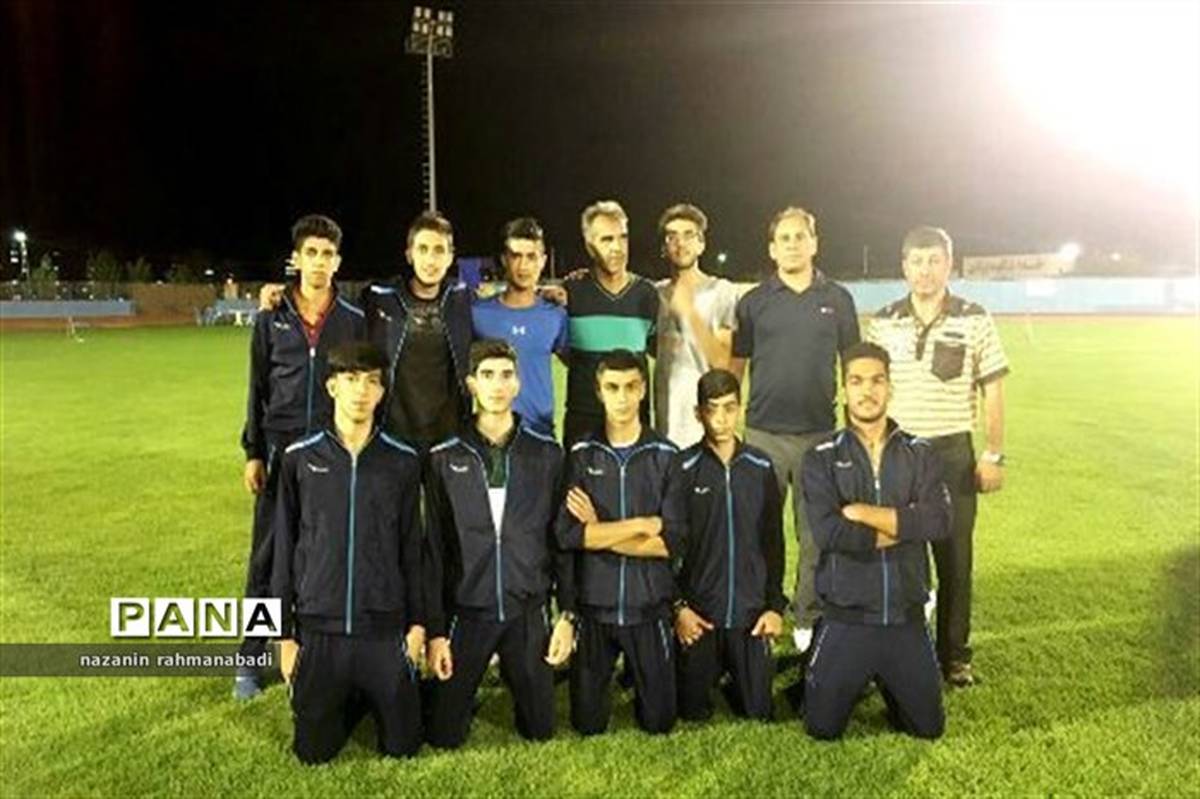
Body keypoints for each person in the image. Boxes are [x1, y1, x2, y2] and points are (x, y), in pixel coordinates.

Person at [866, 226, 1009, 688]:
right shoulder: (884, 321)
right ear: (903, 267)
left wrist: (993, 454)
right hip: (898, 453)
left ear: (949, 264)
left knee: (954, 560)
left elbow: (992, 388)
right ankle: (900, 652)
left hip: (951, 454)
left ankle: (954, 656)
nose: (924, 270)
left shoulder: (974, 318)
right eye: (916, 261)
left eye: (933, 261)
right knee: (897, 558)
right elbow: (870, 388)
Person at [271, 342, 426, 763]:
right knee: (312, 753)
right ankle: (344, 693)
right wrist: (281, 637)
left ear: (382, 392)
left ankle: (370, 691)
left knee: (403, 748)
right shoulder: (298, 458)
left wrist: (417, 626)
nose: (362, 391)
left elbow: (413, 550)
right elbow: (279, 552)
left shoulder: (403, 461)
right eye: (352, 379)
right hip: (319, 628)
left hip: (383, 627)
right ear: (331, 386)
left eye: (372, 381)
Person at [235, 213, 365, 700]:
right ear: (296, 258)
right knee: (267, 557)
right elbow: (257, 387)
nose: (319, 262)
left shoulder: (352, 320)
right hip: (280, 450)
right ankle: (250, 658)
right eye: (311, 253)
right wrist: (254, 451)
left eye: (327, 254)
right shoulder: (271, 316)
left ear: (338, 261)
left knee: (323, 552)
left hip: (330, 451)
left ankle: (317, 648)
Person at [423, 339, 575, 748]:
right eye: (487, 375)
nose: (497, 385)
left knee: (540, 730)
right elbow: (434, 549)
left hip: (526, 608)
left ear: (518, 383)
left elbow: (561, 541)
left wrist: (567, 615)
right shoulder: (444, 456)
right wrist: (436, 631)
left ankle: (522, 674)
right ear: (471, 384)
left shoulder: (547, 453)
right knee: (443, 736)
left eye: (506, 375)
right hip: (468, 610)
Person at [801, 341, 951, 741]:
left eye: (876, 381)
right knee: (822, 728)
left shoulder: (920, 452)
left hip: (905, 617)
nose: (867, 391)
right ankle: (844, 669)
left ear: (890, 387)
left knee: (928, 728)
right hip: (848, 617)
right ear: (843, 389)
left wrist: (861, 512)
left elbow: (938, 521)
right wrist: (906, 525)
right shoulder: (820, 456)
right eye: (856, 381)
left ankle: (888, 677)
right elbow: (830, 532)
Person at [729, 206, 860, 657]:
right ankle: (761, 609)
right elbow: (736, 365)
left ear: (814, 243)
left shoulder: (838, 299)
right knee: (758, 531)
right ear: (771, 248)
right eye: (783, 238)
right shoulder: (754, 302)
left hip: (819, 435)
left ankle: (807, 615)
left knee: (815, 533)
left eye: (799, 236)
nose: (792, 244)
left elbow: (854, 365)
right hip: (762, 433)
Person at [556, 349, 681, 735]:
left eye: (630, 387)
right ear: (599, 392)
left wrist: (599, 530)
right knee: (587, 725)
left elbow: (670, 544)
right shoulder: (581, 454)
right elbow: (569, 535)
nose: (622, 397)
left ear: (643, 389)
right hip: (597, 608)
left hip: (649, 608)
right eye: (612, 388)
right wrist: (641, 524)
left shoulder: (666, 455)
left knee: (659, 723)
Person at [669, 369, 786, 721]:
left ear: (740, 409)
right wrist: (679, 608)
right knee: (691, 711)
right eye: (712, 409)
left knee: (758, 712)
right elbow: (668, 548)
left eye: (729, 408)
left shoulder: (760, 466)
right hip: (701, 617)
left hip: (749, 616)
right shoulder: (682, 468)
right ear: (698, 413)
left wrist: (774, 607)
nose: (721, 419)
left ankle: (742, 670)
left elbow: (773, 542)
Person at [361, 211, 474, 449]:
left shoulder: (463, 300)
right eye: (423, 249)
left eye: (439, 250)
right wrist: (284, 294)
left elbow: (505, 307)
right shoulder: (379, 298)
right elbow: (332, 303)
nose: (431, 260)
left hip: (449, 438)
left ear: (450, 257)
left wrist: (548, 296)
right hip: (393, 436)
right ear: (409, 255)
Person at [562, 200, 659, 447]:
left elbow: (657, 350)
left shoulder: (647, 294)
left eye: (622, 237)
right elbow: (563, 352)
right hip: (584, 423)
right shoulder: (572, 292)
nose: (617, 247)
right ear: (589, 246)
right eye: (606, 239)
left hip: (634, 423)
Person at [470, 218, 569, 436]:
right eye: (516, 256)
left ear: (543, 261)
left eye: (531, 257)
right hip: (492, 436)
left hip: (541, 434)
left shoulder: (556, 315)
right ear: (504, 259)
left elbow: (577, 364)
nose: (523, 266)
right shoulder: (478, 313)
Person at [653, 203, 738, 448]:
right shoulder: (655, 294)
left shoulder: (721, 291)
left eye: (689, 235)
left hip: (704, 428)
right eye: (672, 237)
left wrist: (689, 313)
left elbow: (722, 364)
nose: (681, 243)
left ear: (701, 244)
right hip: (664, 426)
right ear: (664, 248)